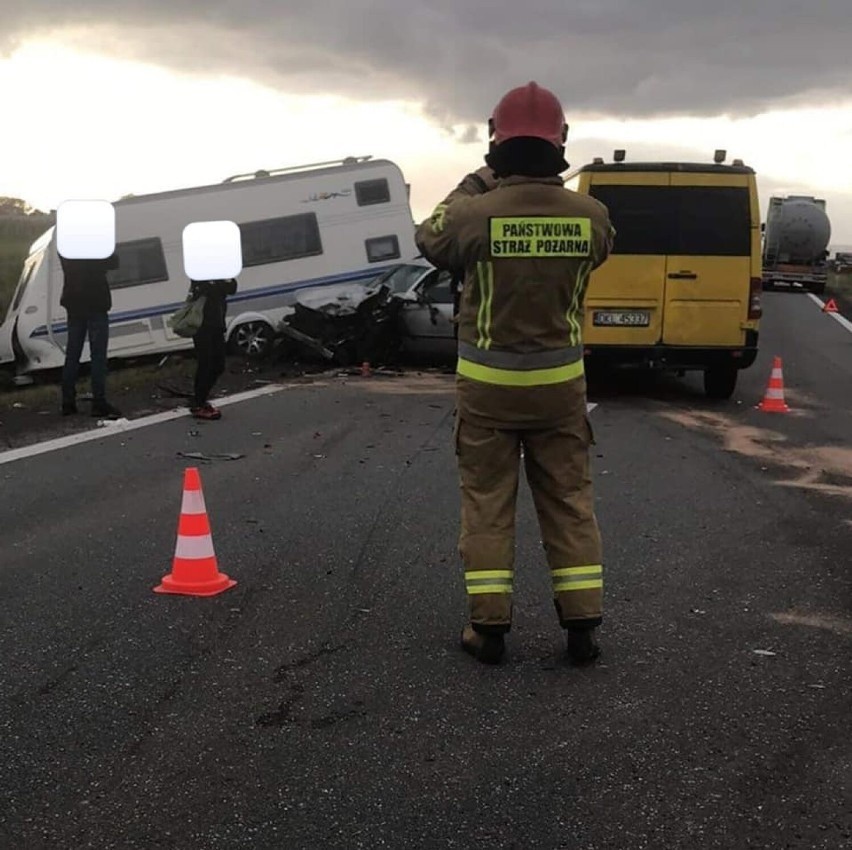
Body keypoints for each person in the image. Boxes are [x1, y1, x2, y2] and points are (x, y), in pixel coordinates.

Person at [415, 81, 615, 666]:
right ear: (562, 142)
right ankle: (581, 626)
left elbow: (431, 235)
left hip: (489, 391)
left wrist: (479, 182)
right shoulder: (592, 216)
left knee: (486, 503)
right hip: (559, 390)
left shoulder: (476, 215)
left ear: (494, 141)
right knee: (570, 501)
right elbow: (600, 252)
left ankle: (489, 629)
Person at [59, 251, 122, 419]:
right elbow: (113, 262)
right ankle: (99, 402)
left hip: (73, 301)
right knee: (98, 355)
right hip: (96, 301)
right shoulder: (96, 241)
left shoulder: (66, 243)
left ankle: (67, 402)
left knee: (72, 354)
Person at [188, 277, 237, 420]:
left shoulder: (220, 274)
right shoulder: (199, 277)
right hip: (201, 326)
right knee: (206, 363)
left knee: (219, 365)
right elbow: (204, 290)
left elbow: (231, 289)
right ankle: (199, 403)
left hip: (217, 324)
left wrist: (227, 279)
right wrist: (215, 281)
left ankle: (200, 398)